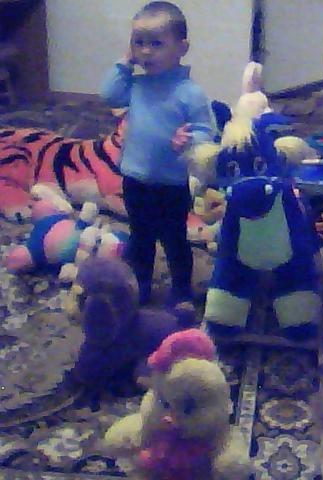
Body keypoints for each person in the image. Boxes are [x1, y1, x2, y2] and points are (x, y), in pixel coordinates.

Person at [101, 1, 213, 306]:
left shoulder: (190, 92)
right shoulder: (136, 85)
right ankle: (140, 287)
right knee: (140, 238)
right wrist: (125, 61)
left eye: (156, 44)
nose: (146, 52)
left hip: (171, 184)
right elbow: (108, 94)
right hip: (135, 178)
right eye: (139, 43)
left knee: (175, 240)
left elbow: (206, 132)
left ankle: (181, 291)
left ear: (182, 48)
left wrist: (188, 140)